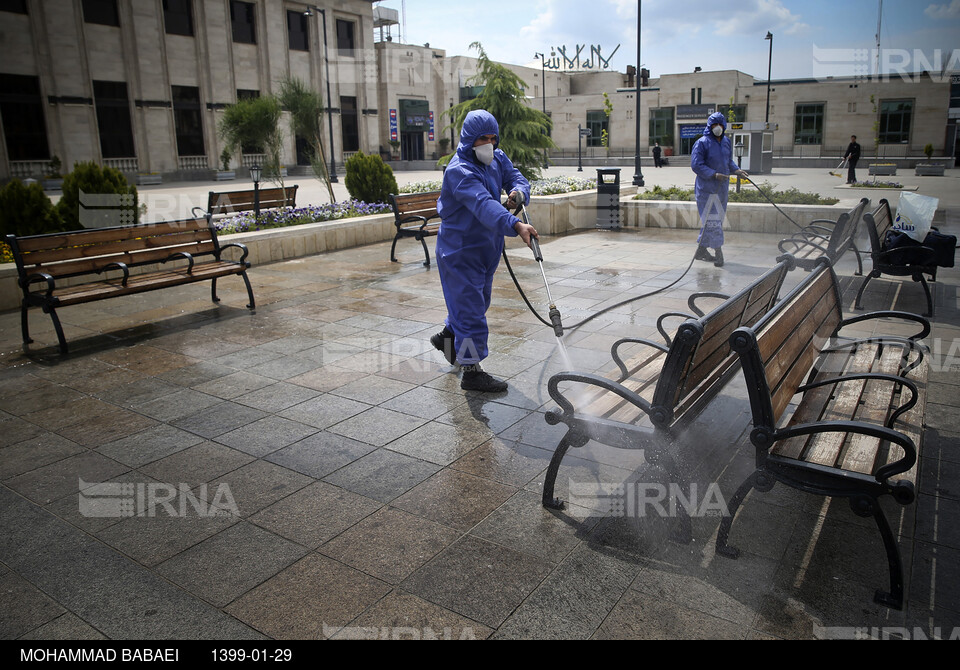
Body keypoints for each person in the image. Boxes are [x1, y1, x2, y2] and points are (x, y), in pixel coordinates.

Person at [430, 109, 538, 393]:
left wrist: (518, 193)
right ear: (469, 140)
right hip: (460, 252)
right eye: (482, 139)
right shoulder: (460, 171)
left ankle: (447, 337)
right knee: (471, 313)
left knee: (476, 304)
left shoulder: (496, 158)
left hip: (485, 249)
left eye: (492, 138)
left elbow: (516, 177)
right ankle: (472, 371)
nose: (488, 144)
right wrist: (515, 224)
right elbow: (483, 205)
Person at [690, 112, 747, 267]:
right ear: (710, 126)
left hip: (722, 188)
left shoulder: (726, 142)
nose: (718, 128)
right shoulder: (702, 143)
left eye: (720, 125)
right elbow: (696, 165)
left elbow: (728, 161)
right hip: (706, 189)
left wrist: (737, 171)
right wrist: (713, 174)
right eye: (715, 125)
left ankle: (701, 250)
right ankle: (718, 252)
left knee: (714, 220)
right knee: (712, 220)